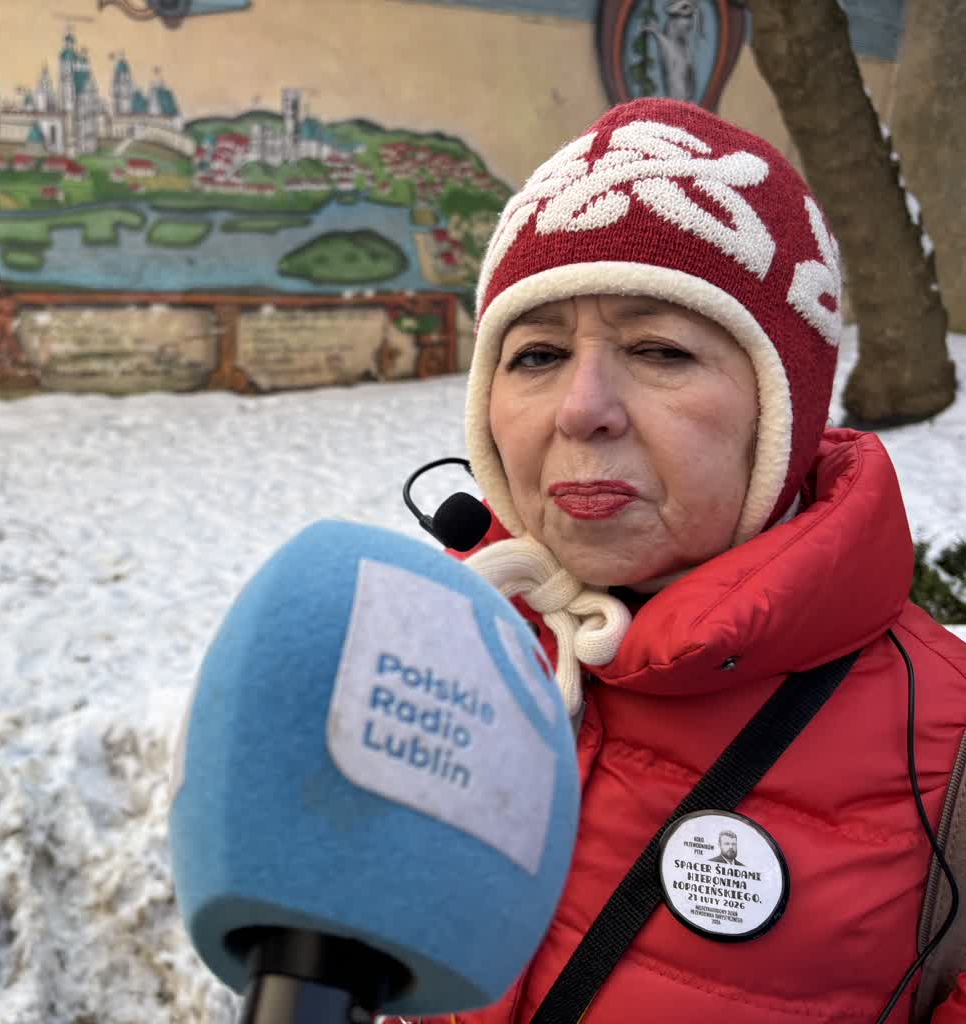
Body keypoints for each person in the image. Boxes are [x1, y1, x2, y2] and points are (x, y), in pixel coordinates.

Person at [407, 98, 966, 1023]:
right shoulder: (424, 652)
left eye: (659, 349)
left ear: (781, 414)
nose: (580, 408)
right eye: (536, 355)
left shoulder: (949, 752)